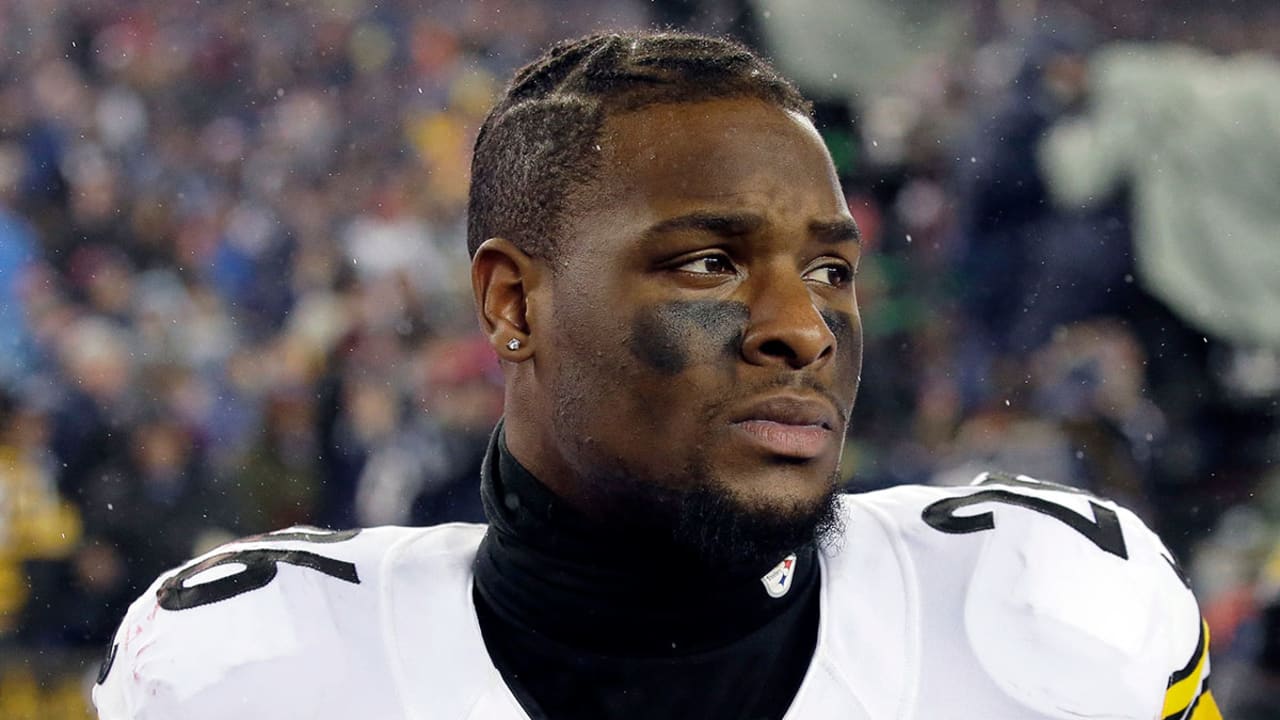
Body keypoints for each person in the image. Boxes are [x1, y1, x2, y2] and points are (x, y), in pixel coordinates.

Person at [93, 30, 1218, 719]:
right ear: (513, 303)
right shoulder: (253, 671)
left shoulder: (1046, 616)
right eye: (708, 263)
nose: (803, 329)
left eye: (829, 269)